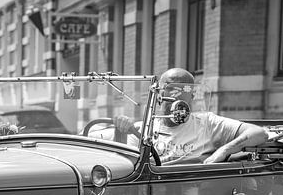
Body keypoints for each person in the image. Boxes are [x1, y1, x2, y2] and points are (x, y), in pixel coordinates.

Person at [114, 67, 269, 164]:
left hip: (192, 194)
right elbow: (127, 165)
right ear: (159, 94)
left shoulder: (207, 122)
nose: (177, 96)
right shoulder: (143, 129)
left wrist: (224, 150)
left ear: (193, 95)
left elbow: (258, 133)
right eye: (171, 88)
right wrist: (120, 132)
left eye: (185, 90)